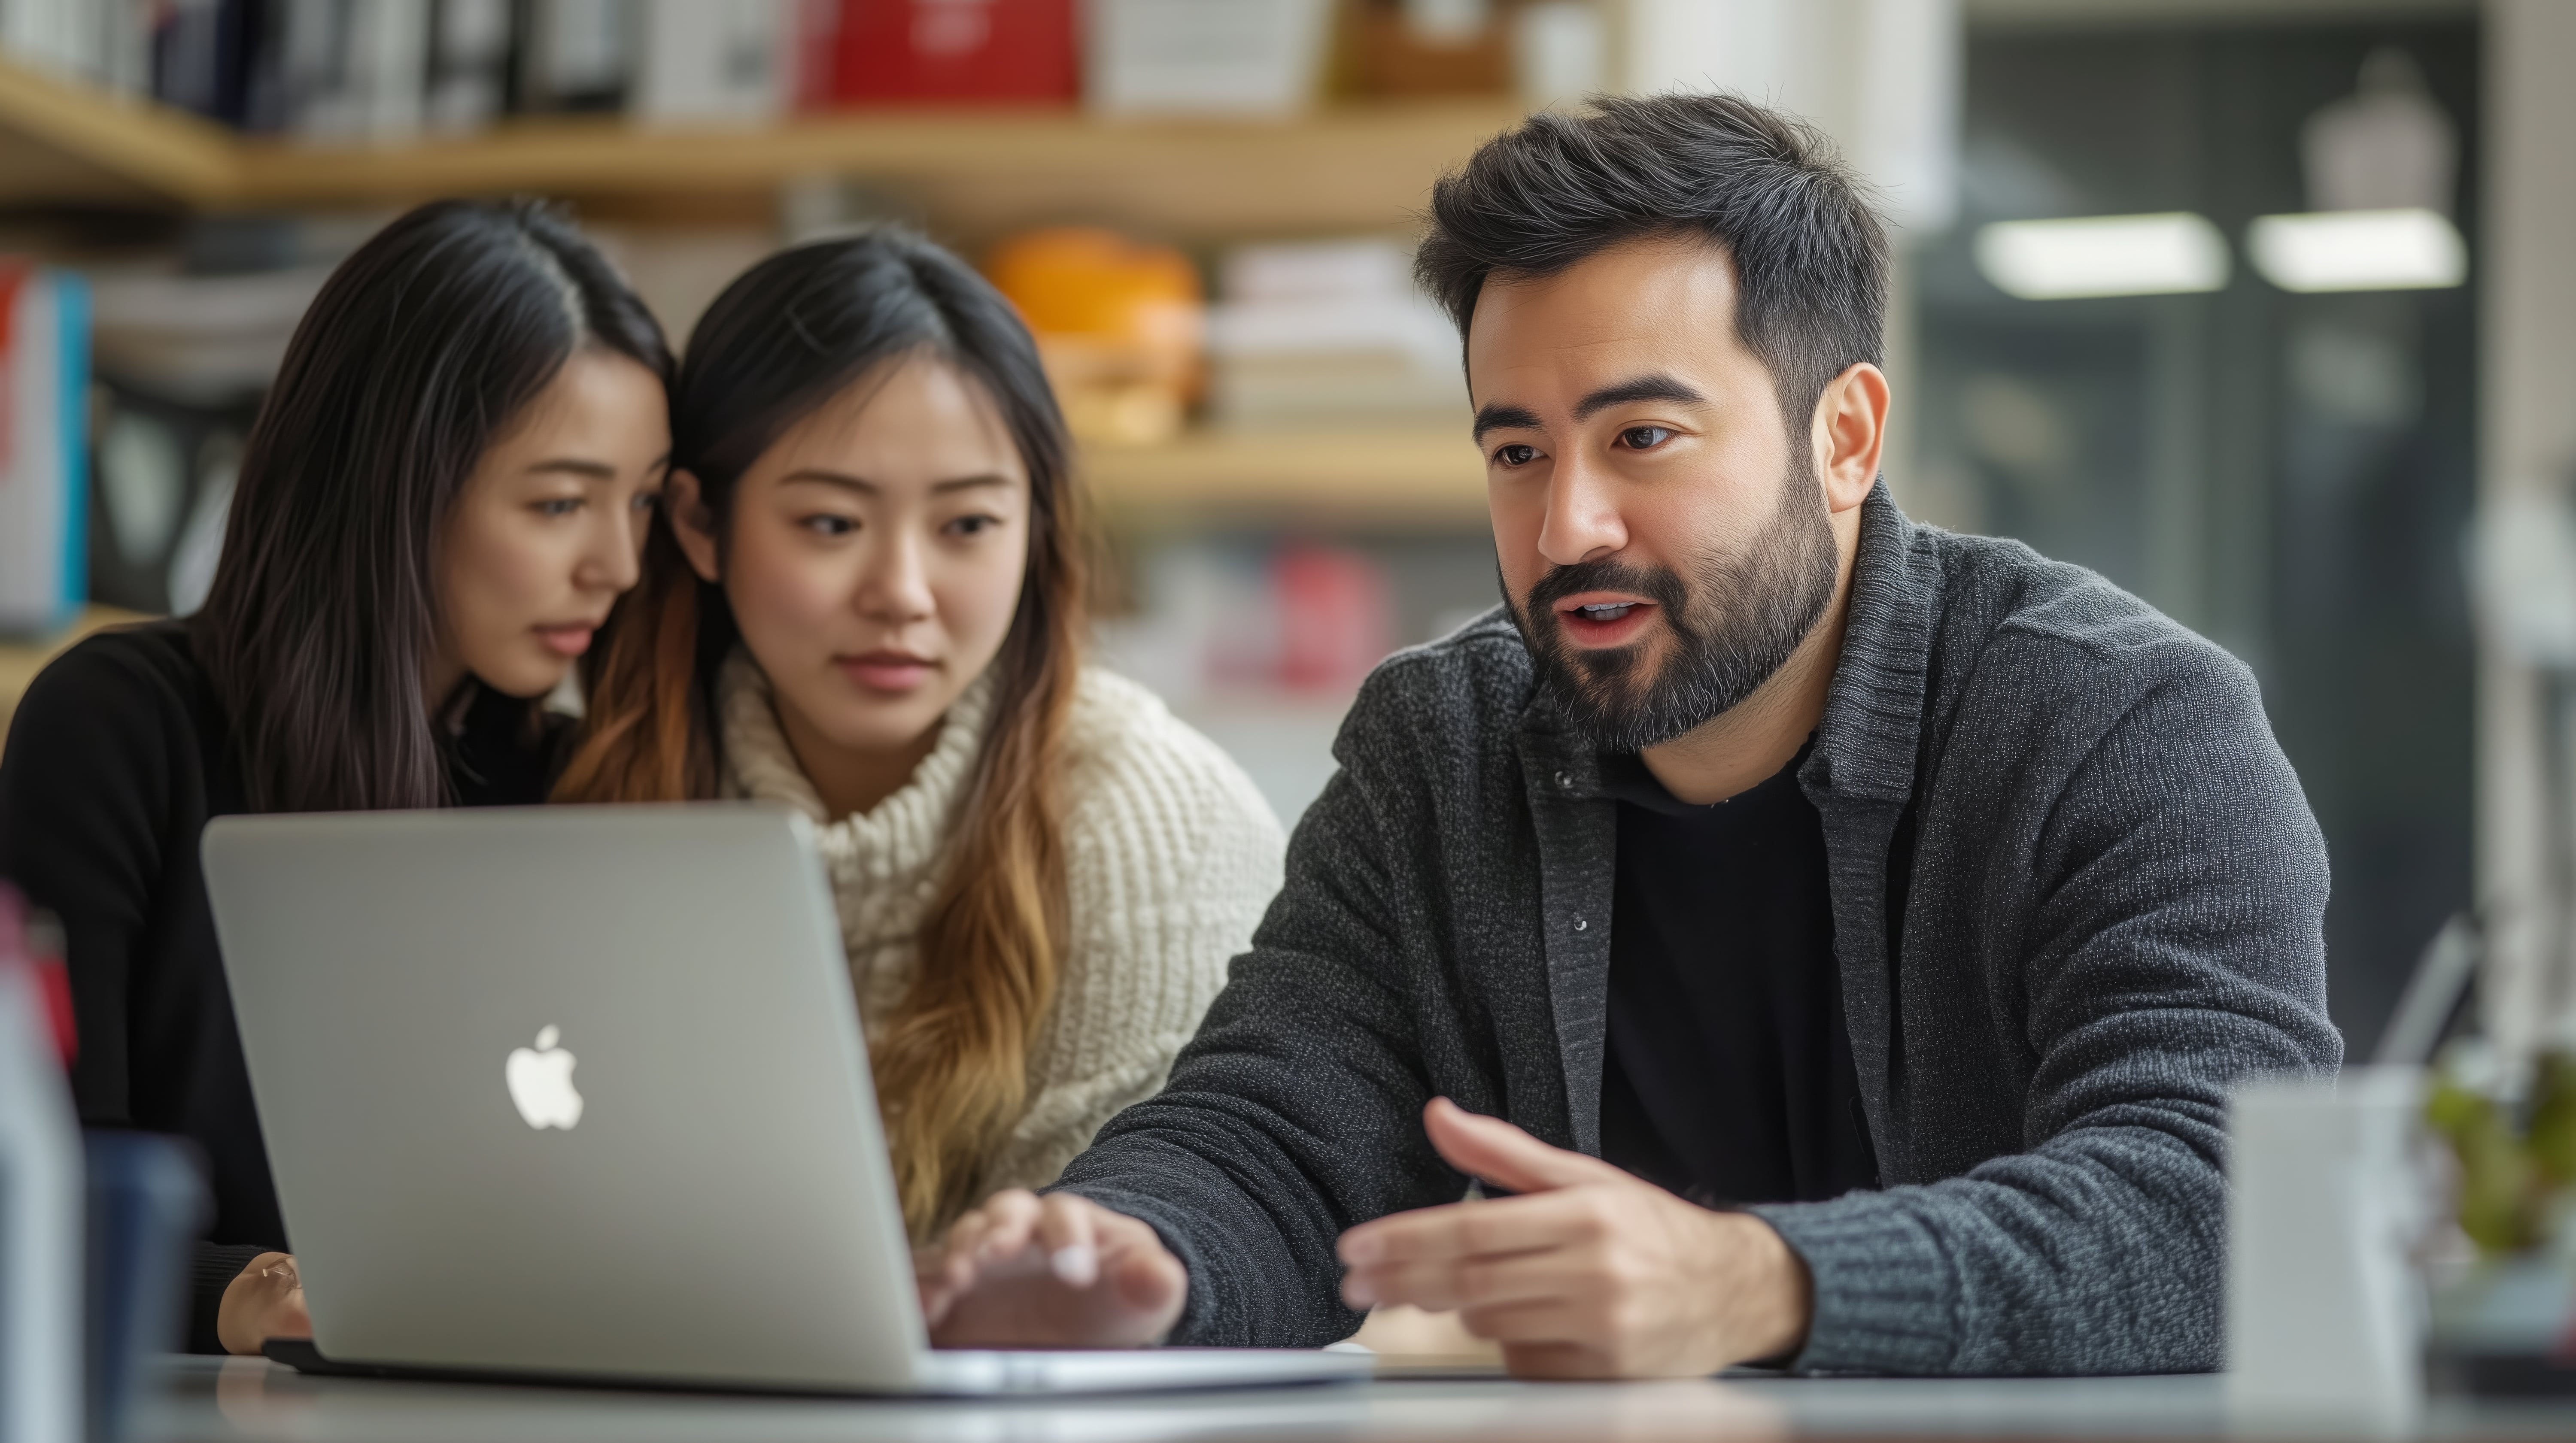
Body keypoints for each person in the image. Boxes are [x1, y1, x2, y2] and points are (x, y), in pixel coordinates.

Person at [914, 93, 2343, 1378]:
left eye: (1642, 438)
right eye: (1516, 450)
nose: (1565, 527)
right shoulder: (1442, 747)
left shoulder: (2121, 722)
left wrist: (1760, 1282)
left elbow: (2220, 1197)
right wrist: (1133, 1253)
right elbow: (1277, 1129)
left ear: (1845, 438)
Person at [0, 200, 673, 1356]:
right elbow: (44, 1195)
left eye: (645, 502)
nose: (616, 563)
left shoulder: (577, 788)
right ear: (393, 482)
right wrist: (236, 1292)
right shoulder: (122, 726)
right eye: (560, 501)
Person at [552, 230, 1282, 1244]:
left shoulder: (1150, 817)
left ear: (1035, 529)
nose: (900, 593)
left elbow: (1089, 1297)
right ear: (700, 524)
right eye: (831, 525)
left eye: (967, 526)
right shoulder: (608, 785)